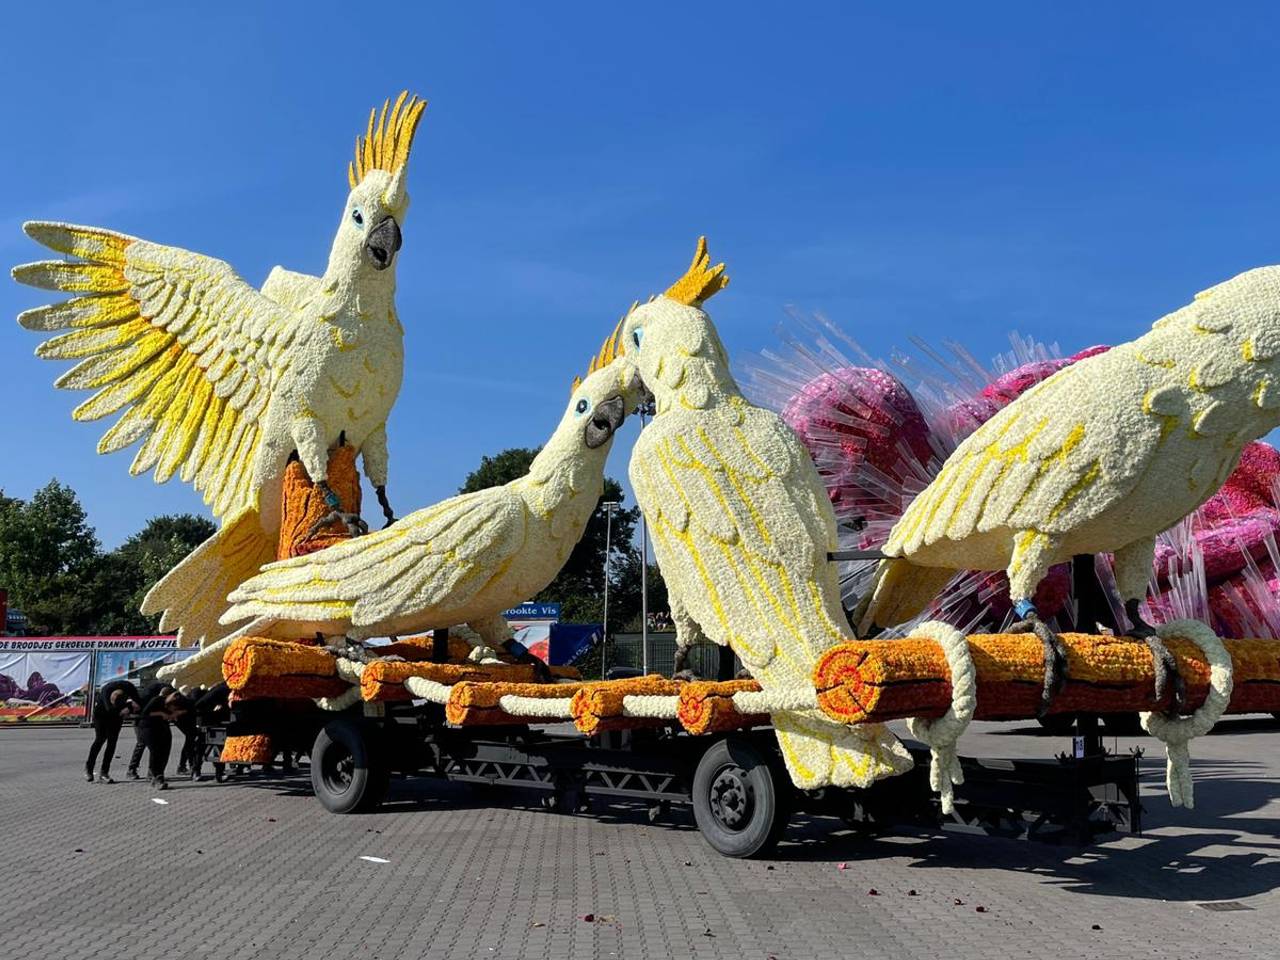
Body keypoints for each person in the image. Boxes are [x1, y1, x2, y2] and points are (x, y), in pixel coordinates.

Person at [85, 679, 141, 783]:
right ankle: (89, 768)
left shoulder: (129, 688)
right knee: (100, 740)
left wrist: (129, 708)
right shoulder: (106, 691)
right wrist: (128, 708)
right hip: (101, 714)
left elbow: (139, 703)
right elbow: (110, 709)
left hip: (117, 715)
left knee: (112, 742)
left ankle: (104, 773)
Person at [134, 688, 189, 790]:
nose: (174, 708)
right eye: (173, 707)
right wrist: (161, 713)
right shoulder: (157, 700)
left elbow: (188, 709)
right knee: (156, 751)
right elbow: (144, 714)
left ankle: (159, 774)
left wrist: (177, 713)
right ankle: (156, 776)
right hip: (148, 726)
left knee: (166, 750)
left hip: (162, 725)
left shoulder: (180, 702)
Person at [126, 681, 173, 780]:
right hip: (140, 719)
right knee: (142, 743)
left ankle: (151, 771)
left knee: (154, 746)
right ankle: (132, 769)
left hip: (152, 720)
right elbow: (141, 711)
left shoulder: (161, 693)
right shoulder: (146, 696)